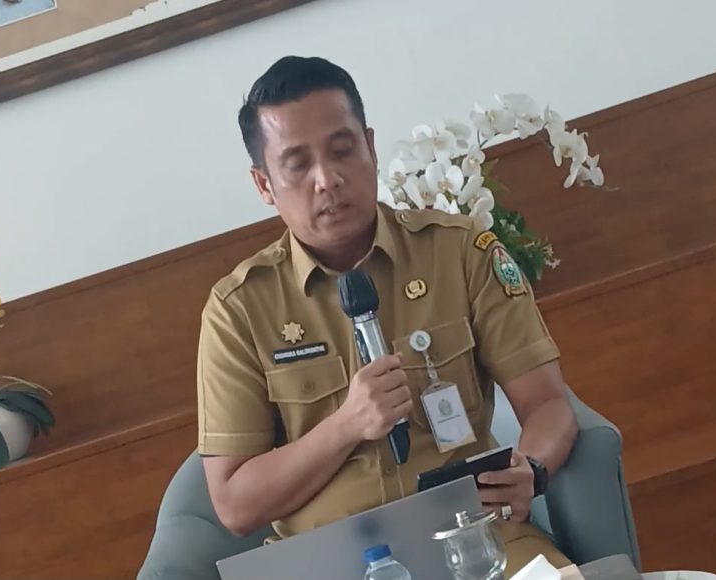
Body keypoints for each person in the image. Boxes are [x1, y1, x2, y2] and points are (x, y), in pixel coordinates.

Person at [197, 55, 579, 576]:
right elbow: (235, 505)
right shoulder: (239, 309)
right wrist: (346, 426)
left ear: (371, 147)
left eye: (342, 150)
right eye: (297, 165)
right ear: (264, 185)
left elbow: (549, 405)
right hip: (333, 565)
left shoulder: (459, 252)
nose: (327, 179)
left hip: (476, 540)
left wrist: (530, 466)